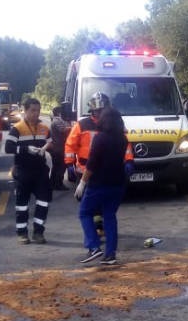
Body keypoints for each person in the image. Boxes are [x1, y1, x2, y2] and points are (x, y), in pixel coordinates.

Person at [74, 107, 134, 265]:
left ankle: (94, 246)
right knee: (109, 216)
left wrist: (82, 183)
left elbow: (92, 164)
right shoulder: (123, 139)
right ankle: (110, 254)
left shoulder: (100, 138)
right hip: (118, 184)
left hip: (98, 184)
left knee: (85, 213)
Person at [4, 97, 53, 245]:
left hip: (41, 172)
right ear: (25, 111)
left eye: (38, 110)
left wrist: (46, 148)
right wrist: (25, 149)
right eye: (32, 110)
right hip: (23, 171)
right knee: (22, 204)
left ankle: (38, 232)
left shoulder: (44, 128)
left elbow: (51, 142)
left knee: (44, 202)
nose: (36, 113)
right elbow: (8, 148)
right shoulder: (17, 128)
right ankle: (22, 233)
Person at [65, 92, 114, 234]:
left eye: (103, 110)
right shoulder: (82, 124)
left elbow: (124, 143)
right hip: (84, 170)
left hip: (105, 170)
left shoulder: (113, 124)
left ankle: (99, 226)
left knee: (103, 200)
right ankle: (96, 227)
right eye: (98, 110)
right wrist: (69, 164)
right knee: (88, 202)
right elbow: (70, 145)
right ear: (92, 110)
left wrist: (128, 160)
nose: (100, 113)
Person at [49, 105, 70, 191]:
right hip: (59, 148)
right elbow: (63, 130)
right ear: (59, 113)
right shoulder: (57, 121)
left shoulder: (57, 120)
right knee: (61, 167)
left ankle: (53, 183)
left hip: (57, 147)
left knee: (56, 166)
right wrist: (74, 127)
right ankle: (58, 184)